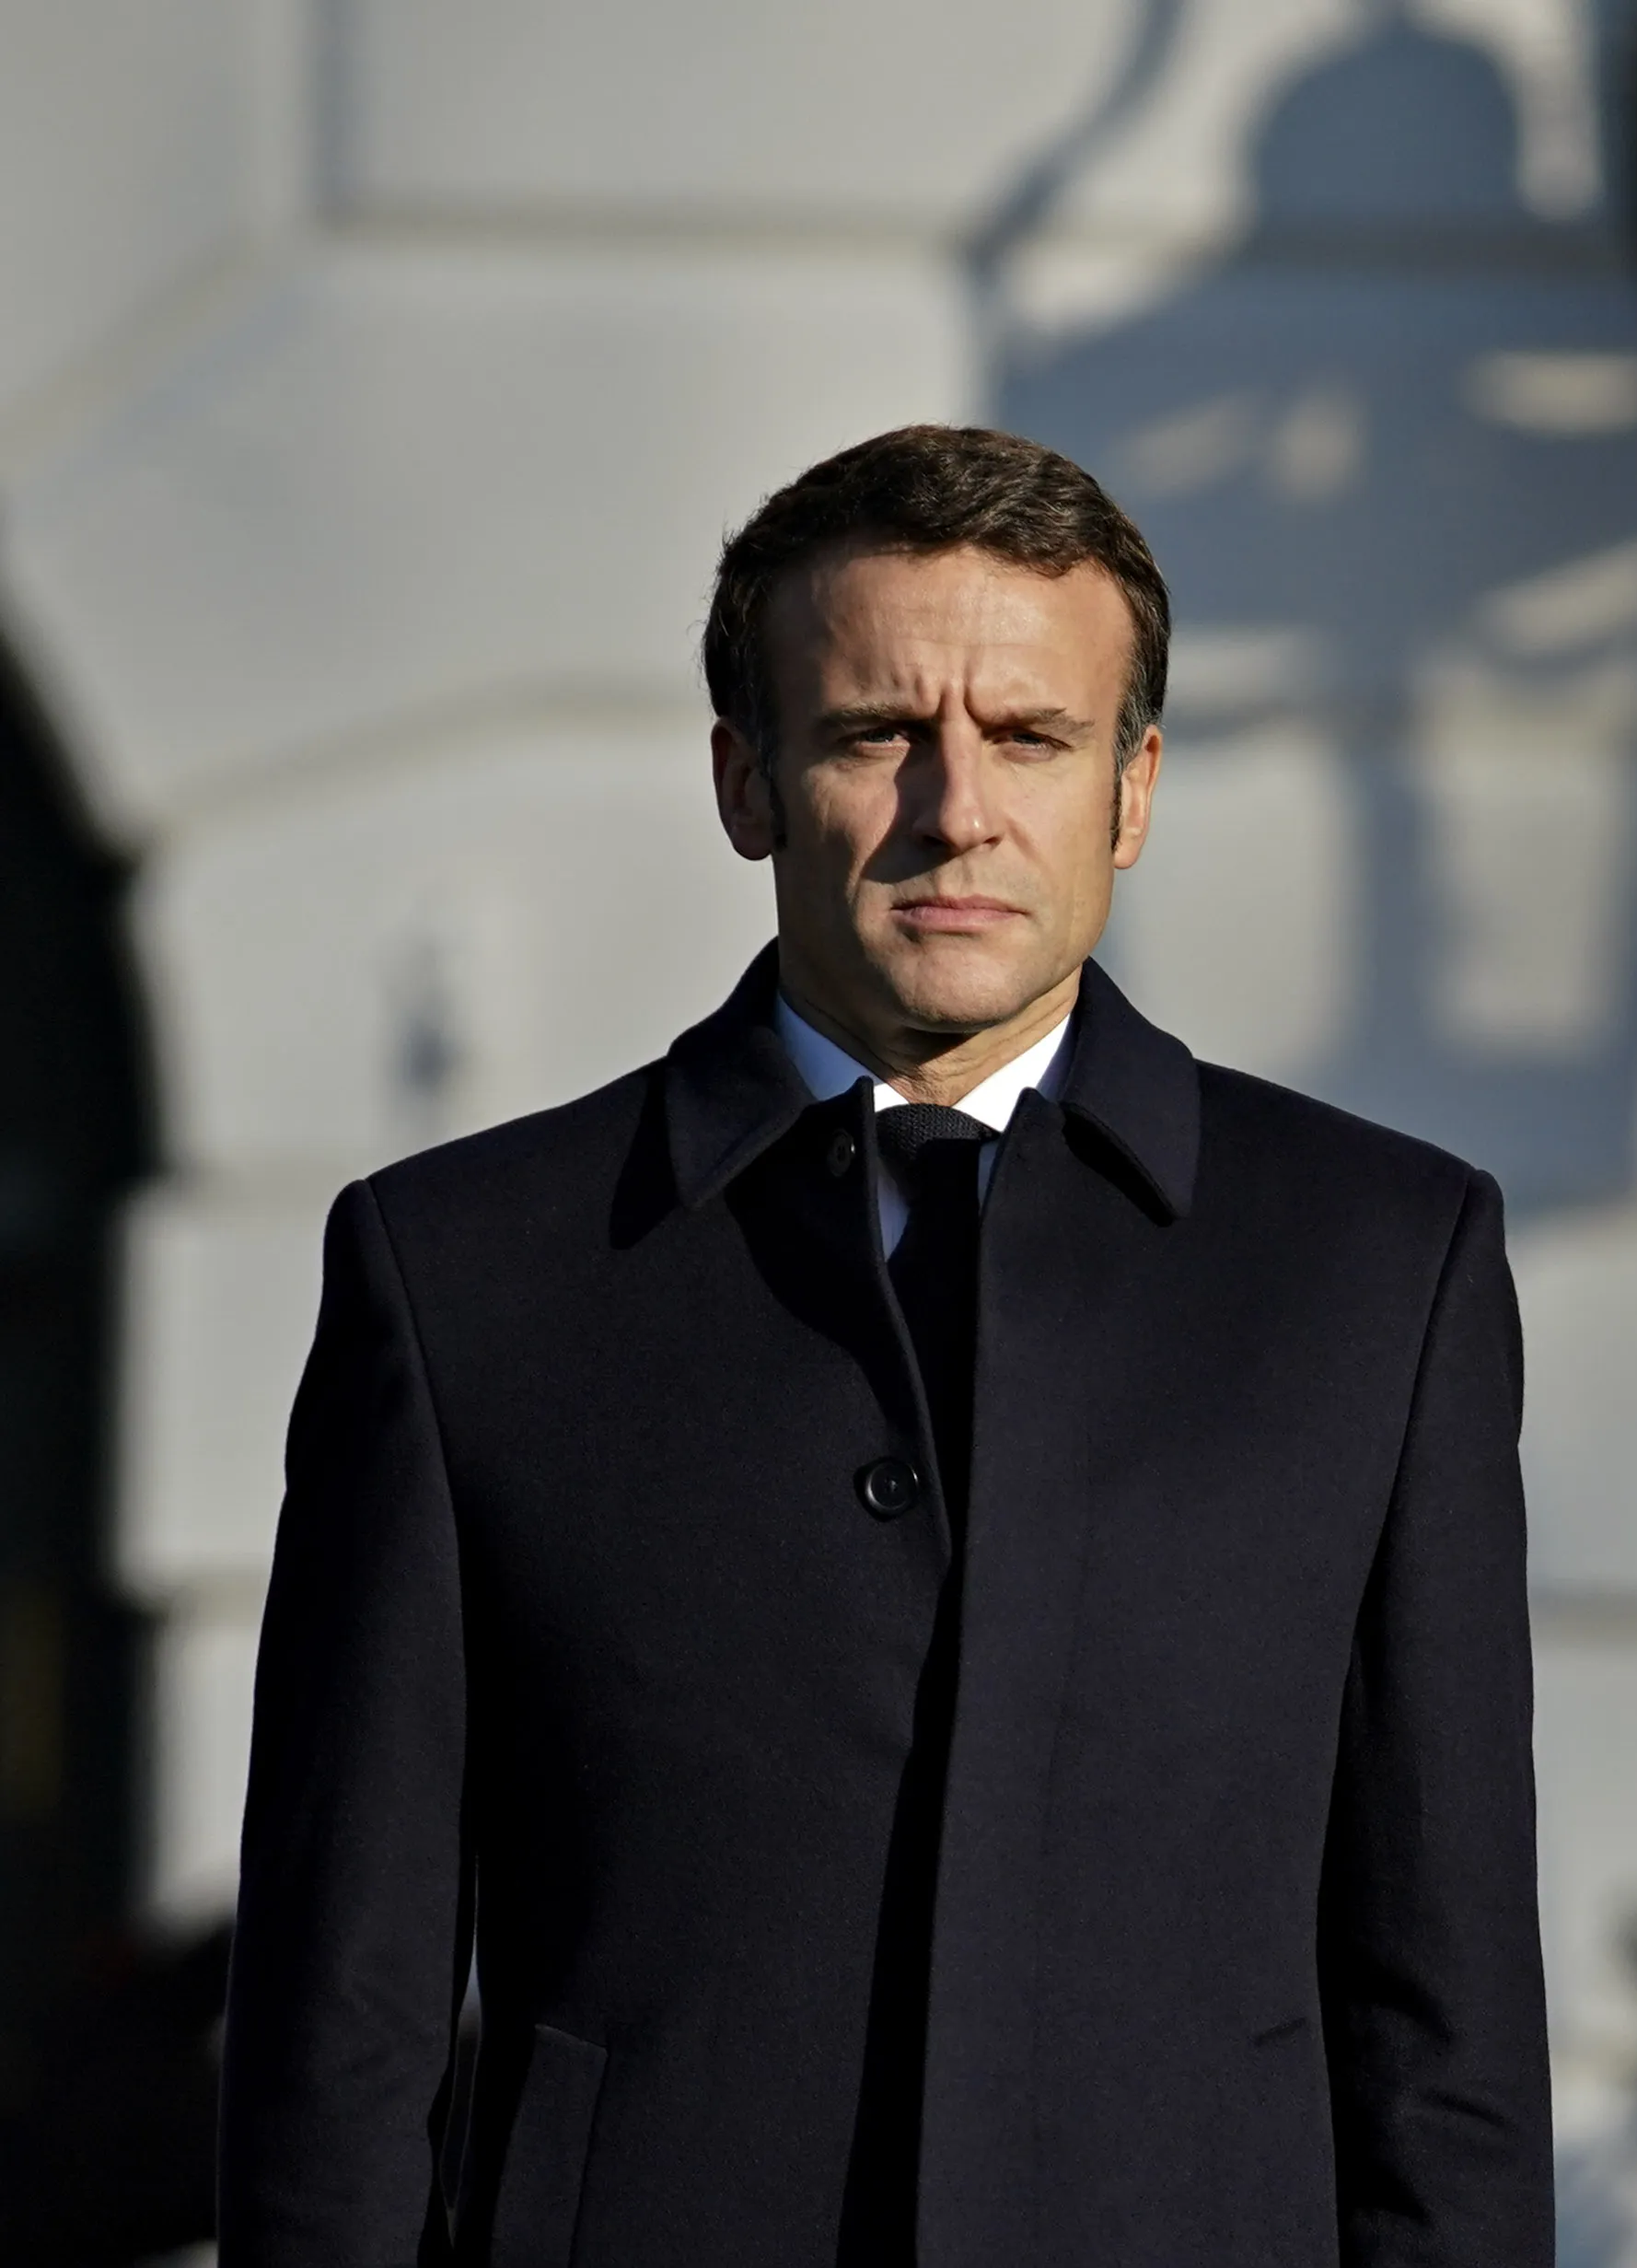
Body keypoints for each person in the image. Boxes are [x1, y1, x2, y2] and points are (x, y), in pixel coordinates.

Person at [217, 426, 1551, 2266]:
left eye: (1030, 738)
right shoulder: (461, 1277)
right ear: (743, 777)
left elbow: (1448, 2022)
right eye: (872, 735)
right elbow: (339, 2031)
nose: (956, 810)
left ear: (1132, 789)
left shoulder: (1375, 1270)